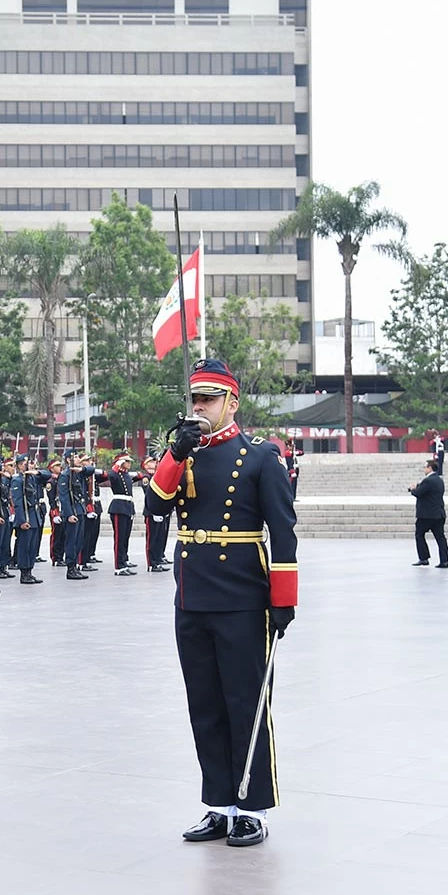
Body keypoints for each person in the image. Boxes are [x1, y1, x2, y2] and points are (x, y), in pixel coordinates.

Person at [151, 359, 297, 848]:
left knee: (246, 703)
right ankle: (218, 805)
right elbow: (155, 509)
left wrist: (283, 599)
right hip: (192, 594)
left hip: (241, 596)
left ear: (232, 403)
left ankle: (251, 808)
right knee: (205, 705)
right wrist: (174, 455)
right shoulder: (184, 454)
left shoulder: (259, 456)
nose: (199, 407)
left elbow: (283, 529)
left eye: (209, 399)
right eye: (195, 399)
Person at [101, 452, 139, 576]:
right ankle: (119, 566)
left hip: (127, 507)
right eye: (127, 461)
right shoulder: (115, 475)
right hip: (118, 507)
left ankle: (123, 562)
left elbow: (140, 476)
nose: (129, 464)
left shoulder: (126, 475)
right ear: (121, 462)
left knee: (125, 538)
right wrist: (116, 466)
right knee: (119, 538)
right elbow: (107, 475)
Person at [9, 455, 43, 584]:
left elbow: (46, 475)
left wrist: (36, 471)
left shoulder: (32, 478)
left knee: (33, 547)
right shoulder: (17, 480)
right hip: (26, 518)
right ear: (18, 465)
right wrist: (22, 520)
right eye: (24, 464)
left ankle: (29, 571)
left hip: (34, 517)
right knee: (25, 547)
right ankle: (24, 573)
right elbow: (17, 502)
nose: (27, 465)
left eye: (28, 463)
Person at [409, 459, 448, 569]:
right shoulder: (439, 480)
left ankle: (424, 558)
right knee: (440, 538)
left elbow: (418, 493)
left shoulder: (428, 481)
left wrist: (413, 489)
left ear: (430, 468)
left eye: (425, 467)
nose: (424, 469)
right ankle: (444, 560)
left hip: (426, 515)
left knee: (419, 534)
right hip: (439, 514)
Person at [142, 455, 171, 573]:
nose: (154, 463)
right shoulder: (146, 477)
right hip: (151, 511)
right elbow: (149, 494)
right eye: (151, 462)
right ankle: (151, 563)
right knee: (152, 539)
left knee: (159, 537)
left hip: (160, 511)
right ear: (145, 464)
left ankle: (158, 559)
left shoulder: (155, 475)